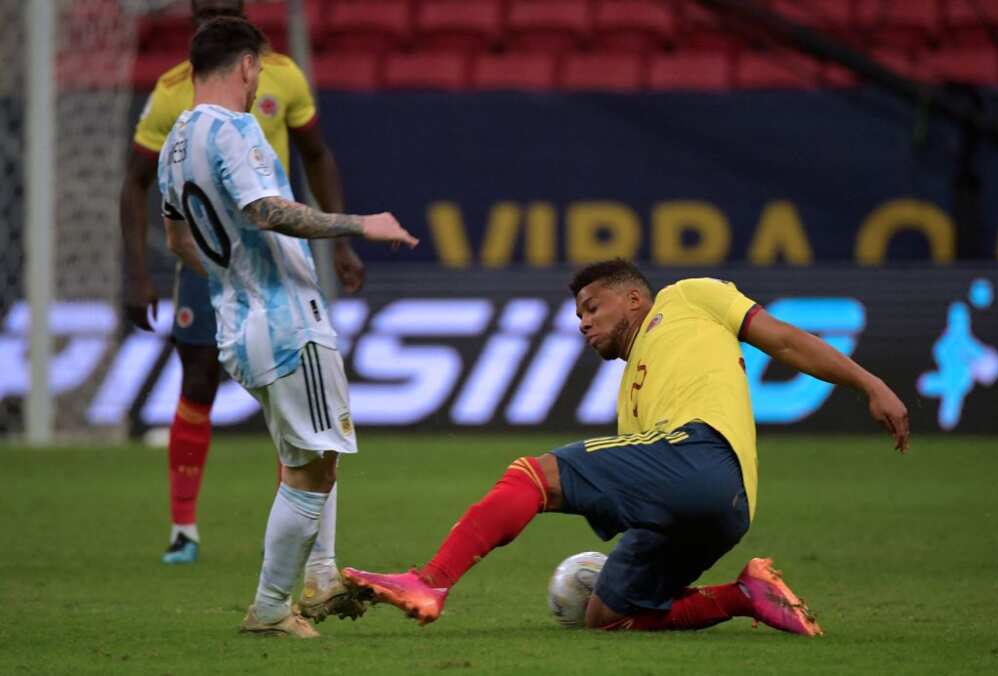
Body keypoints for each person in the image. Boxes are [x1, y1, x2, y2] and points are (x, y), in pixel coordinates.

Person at [343, 259, 909, 634]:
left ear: (635, 299)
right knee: (610, 615)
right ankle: (745, 594)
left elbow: (784, 339)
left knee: (533, 475)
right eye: (579, 316)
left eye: (592, 308)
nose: (584, 324)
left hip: (700, 452)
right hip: (725, 507)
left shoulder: (689, 297)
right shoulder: (632, 395)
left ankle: (431, 580)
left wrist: (871, 383)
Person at [157, 16, 418, 637]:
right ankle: (273, 607)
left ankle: (321, 576)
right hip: (285, 321)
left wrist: (229, 280)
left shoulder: (174, 143)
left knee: (309, 452)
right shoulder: (236, 130)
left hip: (237, 321)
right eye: (257, 72)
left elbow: (176, 237)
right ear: (247, 66)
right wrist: (358, 224)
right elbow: (266, 209)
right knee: (313, 464)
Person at [120, 0, 364, 577]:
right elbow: (137, 185)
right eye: (204, 12)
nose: (210, 21)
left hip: (258, 268)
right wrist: (138, 272)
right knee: (209, 386)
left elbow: (316, 154)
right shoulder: (175, 92)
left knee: (295, 424)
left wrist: (343, 245)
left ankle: (307, 568)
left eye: (222, 12)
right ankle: (192, 532)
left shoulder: (279, 76)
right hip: (238, 267)